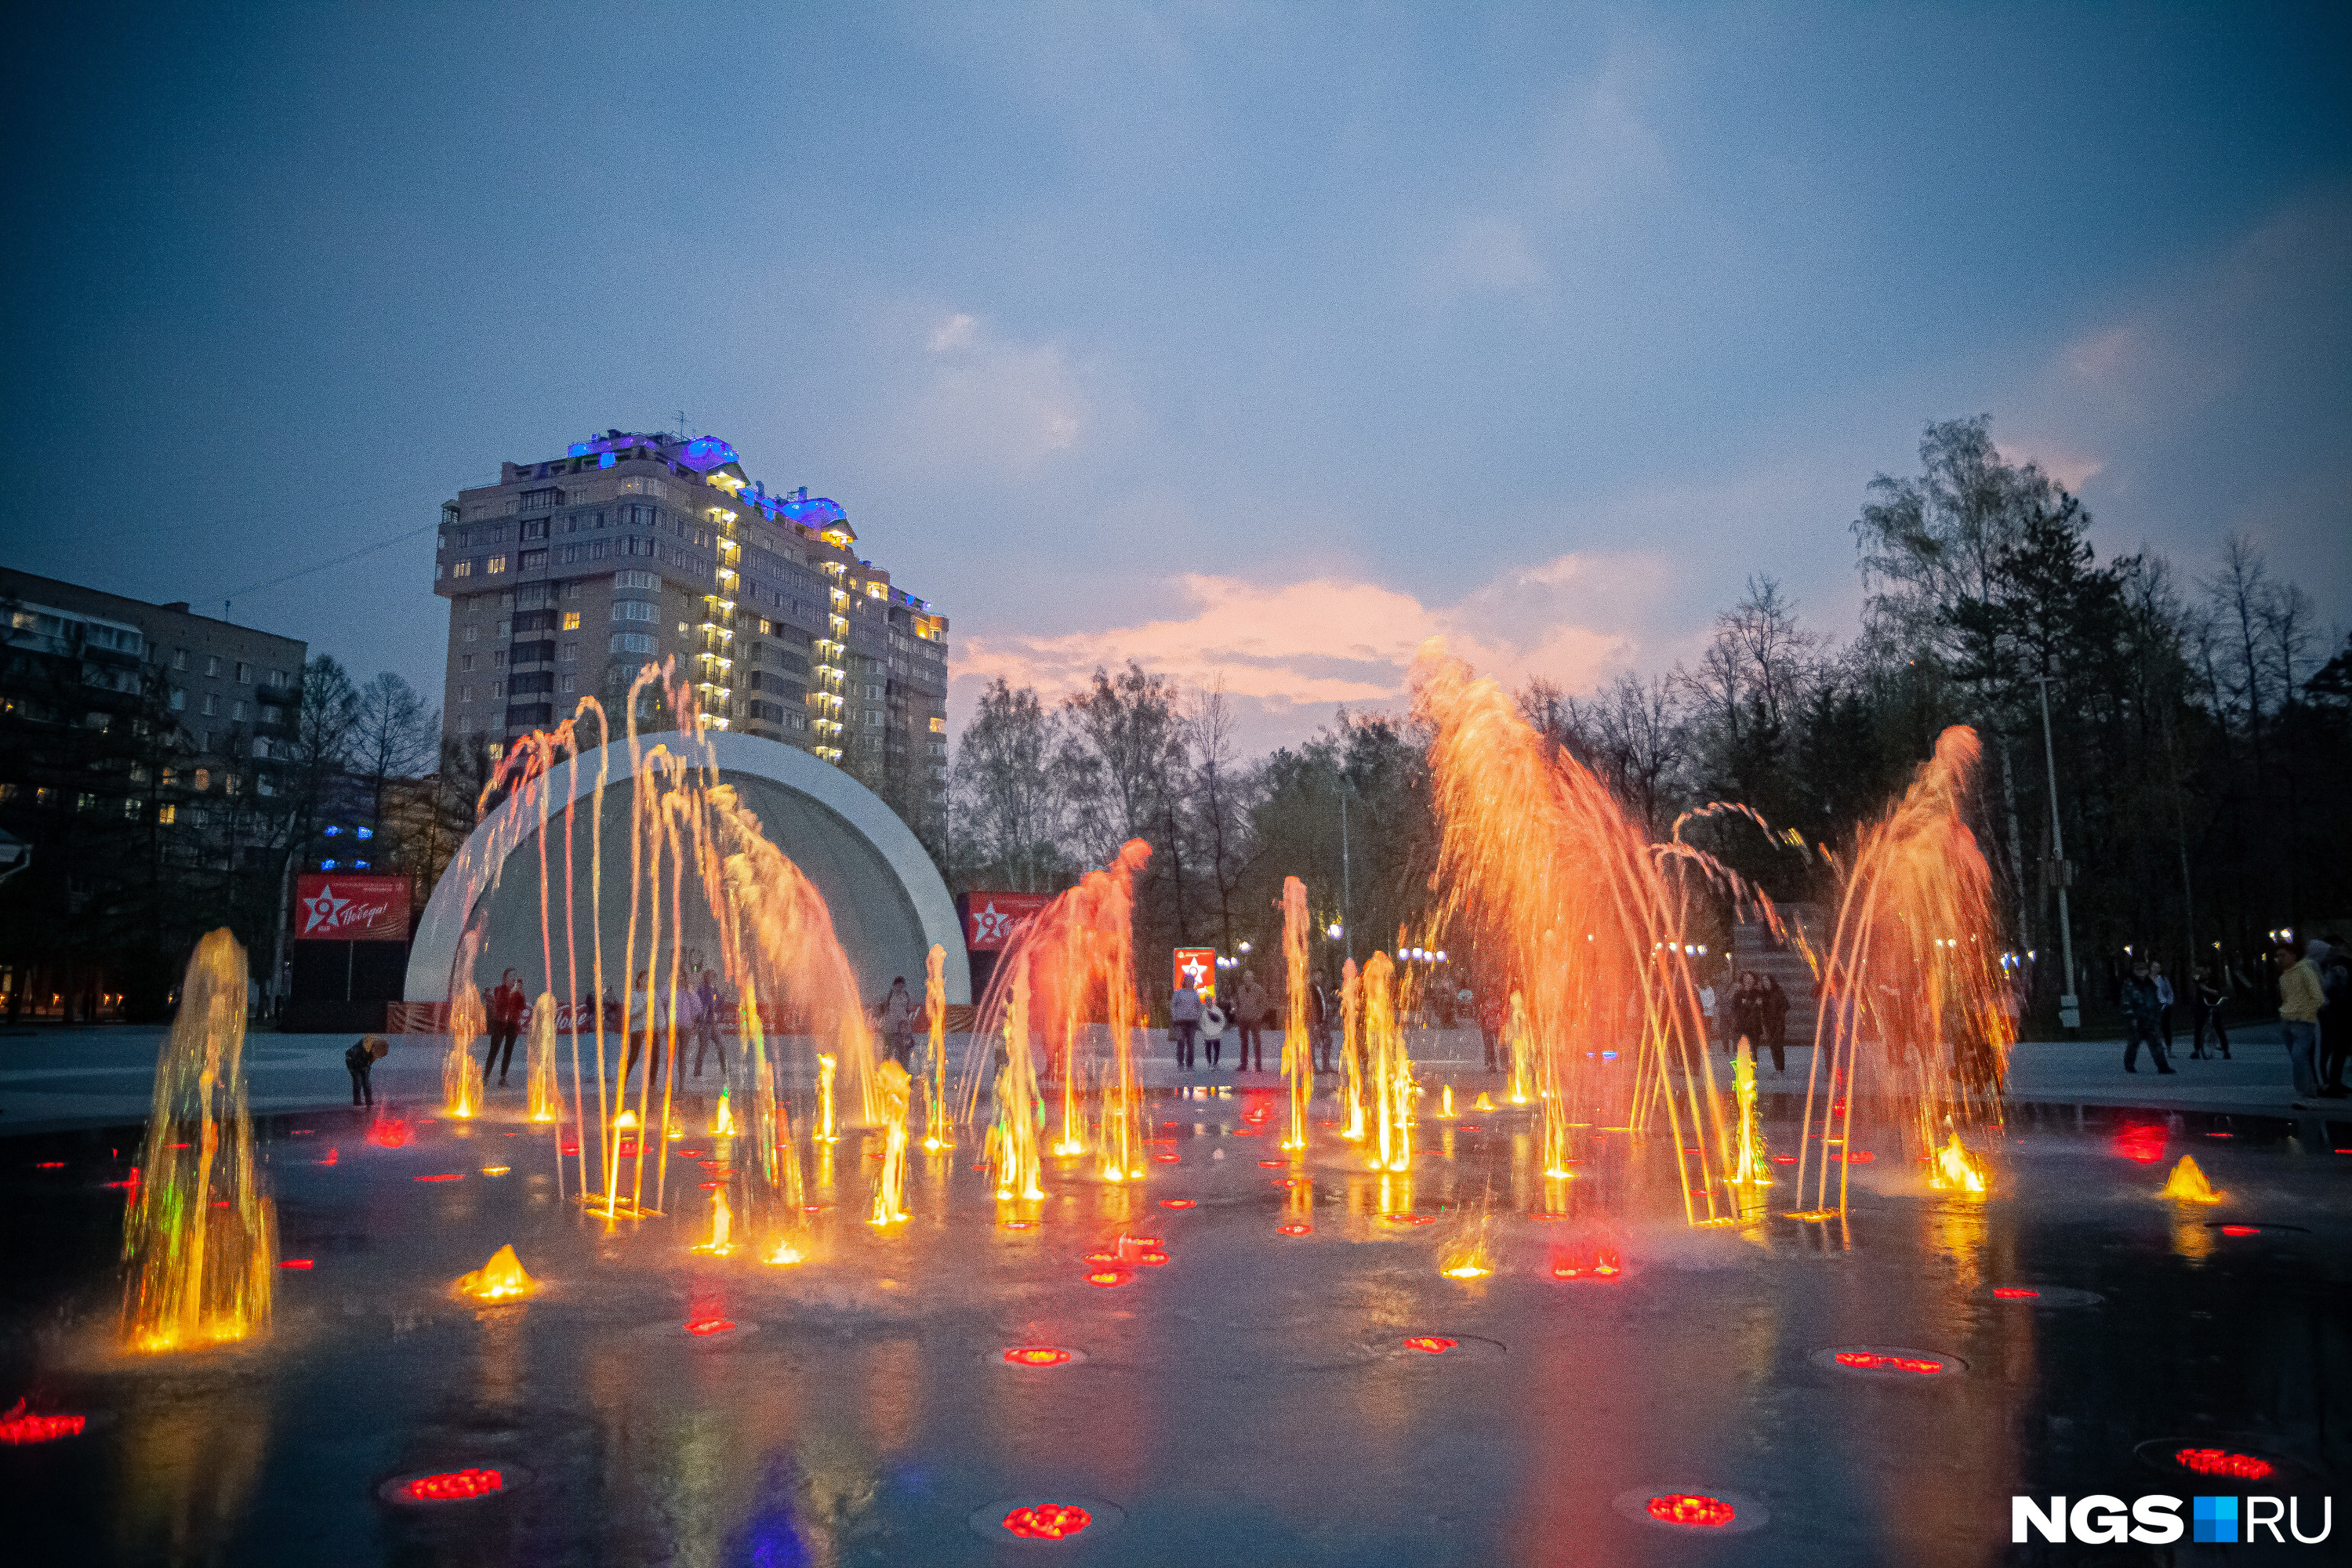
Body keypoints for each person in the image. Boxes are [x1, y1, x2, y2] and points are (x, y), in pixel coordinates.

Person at [2274, 942, 2326, 1102]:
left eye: (2283, 955)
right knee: (2298, 1057)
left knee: (2299, 1055)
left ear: (2293, 955)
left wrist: (2304, 1014)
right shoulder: (2284, 976)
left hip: (2303, 1022)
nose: (2279, 959)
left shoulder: (2305, 971)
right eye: (2277, 956)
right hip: (2288, 1021)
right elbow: (2286, 999)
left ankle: (2306, 1092)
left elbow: (2318, 997)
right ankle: (2308, 1089)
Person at [2118, 959, 2172, 1075]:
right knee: (2133, 1045)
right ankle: (2129, 1065)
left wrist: (2157, 1014)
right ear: (2134, 971)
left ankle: (2163, 1067)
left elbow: (2154, 999)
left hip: (2150, 1019)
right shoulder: (2129, 983)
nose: (2141, 972)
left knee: (2156, 1044)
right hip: (2136, 1019)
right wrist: (2131, 1017)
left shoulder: (2149, 983)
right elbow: (2126, 1001)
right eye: (2139, 970)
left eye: (2143, 970)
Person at [2314, 935, 2350, 1097]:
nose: (2335, 951)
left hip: (2337, 1012)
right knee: (2330, 1049)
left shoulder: (2334, 965)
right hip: (2330, 1013)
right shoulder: (2321, 967)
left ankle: (2334, 1082)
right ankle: (2329, 1084)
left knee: (2339, 1049)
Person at [484, 968, 528, 1087]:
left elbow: (523, 1007)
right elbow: (500, 1004)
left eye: (515, 977)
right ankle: (485, 1077)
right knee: (494, 1051)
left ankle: (502, 1078)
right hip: (499, 1023)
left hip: (512, 1024)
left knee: (508, 1052)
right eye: (511, 977)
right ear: (505, 979)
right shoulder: (499, 990)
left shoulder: (518, 992)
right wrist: (511, 993)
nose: (513, 979)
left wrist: (521, 993)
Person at [689, 967, 727, 1080]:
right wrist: (707, 1012)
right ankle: (697, 1072)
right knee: (703, 1047)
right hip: (705, 1023)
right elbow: (700, 1005)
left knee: (721, 1046)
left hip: (713, 1023)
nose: (713, 979)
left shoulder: (714, 990)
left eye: (714, 977)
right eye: (710, 977)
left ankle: (725, 1070)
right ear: (707, 978)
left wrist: (719, 1012)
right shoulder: (703, 990)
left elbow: (719, 1003)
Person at [2190, 963, 2231, 1060]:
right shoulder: (2198, 979)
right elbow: (2194, 981)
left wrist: (2207, 989)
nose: (2202, 972)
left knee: (2218, 1026)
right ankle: (2196, 1050)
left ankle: (2226, 1051)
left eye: (2204, 970)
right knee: (2198, 1027)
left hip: (2213, 1003)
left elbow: (2218, 992)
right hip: (2202, 1005)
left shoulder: (2214, 979)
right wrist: (2197, 979)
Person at [880, 976, 917, 1069]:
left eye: (901, 985)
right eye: (898, 985)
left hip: (903, 1026)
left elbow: (910, 1008)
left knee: (903, 1049)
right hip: (890, 1025)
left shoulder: (906, 995)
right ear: (894, 985)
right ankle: (885, 1068)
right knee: (888, 1048)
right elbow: (884, 1008)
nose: (899, 987)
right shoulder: (890, 995)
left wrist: (908, 1024)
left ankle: (903, 1069)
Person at [1234, 970, 1267, 1073]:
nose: (1247, 979)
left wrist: (1260, 1015)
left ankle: (1258, 1065)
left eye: (1249, 977)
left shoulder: (1258, 989)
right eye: (1246, 978)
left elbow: (1264, 1003)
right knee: (1244, 1042)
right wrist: (1237, 1014)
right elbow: (1236, 1002)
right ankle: (1243, 1064)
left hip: (1254, 1019)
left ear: (1253, 978)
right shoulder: (1240, 989)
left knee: (1257, 1042)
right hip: (1243, 1019)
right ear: (1243, 979)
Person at [1760, 973, 1791, 1073]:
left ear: (1771, 981)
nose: (1765, 983)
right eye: (1763, 981)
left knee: (1777, 1044)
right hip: (1769, 1024)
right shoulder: (1764, 994)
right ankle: (1778, 1067)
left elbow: (1786, 1005)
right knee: (1773, 1046)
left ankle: (1781, 1068)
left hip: (1778, 1023)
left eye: (1766, 980)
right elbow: (1763, 1009)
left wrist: (1780, 1013)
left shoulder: (1778, 992)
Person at [347, 1033, 387, 1106]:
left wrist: (368, 1066)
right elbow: (349, 1056)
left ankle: (369, 1102)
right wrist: (352, 1070)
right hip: (355, 1065)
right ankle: (357, 1103)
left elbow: (371, 1059)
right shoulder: (358, 1049)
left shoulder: (374, 1047)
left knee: (367, 1084)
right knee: (358, 1084)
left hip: (364, 1064)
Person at [1169, 978, 1201, 1071]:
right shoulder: (1178, 993)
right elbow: (1173, 1006)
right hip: (1180, 1021)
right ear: (1184, 982)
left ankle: (1190, 1064)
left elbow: (1198, 1007)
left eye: (1192, 981)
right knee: (1181, 1042)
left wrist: (1197, 1017)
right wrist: (1175, 1017)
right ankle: (1180, 1063)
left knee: (1191, 1043)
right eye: (1188, 980)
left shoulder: (1195, 994)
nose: (1190, 982)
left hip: (1192, 1021)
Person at [2151, 960, 2176, 1058]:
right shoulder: (2147, 979)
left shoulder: (2163, 979)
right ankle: (2159, 1047)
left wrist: (2169, 1002)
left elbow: (2170, 992)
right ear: (2151, 968)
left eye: (2158, 967)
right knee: (2154, 1028)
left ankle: (2169, 1051)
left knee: (2166, 1028)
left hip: (2163, 1005)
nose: (2156, 969)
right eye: (2154, 967)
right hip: (2152, 1006)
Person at [1309, 973, 1335, 1073]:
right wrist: (1316, 1022)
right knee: (1313, 1044)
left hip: (1323, 1022)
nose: (1319, 977)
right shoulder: (1311, 989)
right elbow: (1313, 1006)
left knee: (1327, 1041)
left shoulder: (1321, 988)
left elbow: (1323, 1004)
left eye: (1321, 975)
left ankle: (1326, 1066)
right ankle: (1313, 1066)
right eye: (1317, 975)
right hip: (1316, 1022)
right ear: (1313, 976)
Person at [1479, 988, 1506, 1073]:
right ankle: (1496, 1064)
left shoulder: (1487, 1003)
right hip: (1492, 1026)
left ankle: (1494, 1064)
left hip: (1493, 1026)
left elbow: (1482, 1015)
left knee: (1493, 1045)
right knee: (1493, 1045)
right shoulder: (1497, 1002)